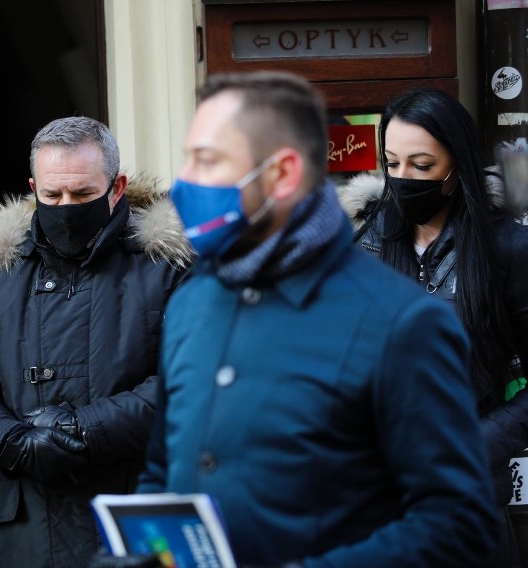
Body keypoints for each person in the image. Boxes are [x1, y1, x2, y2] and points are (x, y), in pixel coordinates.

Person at [136, 71, 498, 567]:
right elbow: (164, 472)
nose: (186, 183)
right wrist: (146, 552)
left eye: (209, 161)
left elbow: (458, 524)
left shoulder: (401, 324)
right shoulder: (191, 304)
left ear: (282, 173)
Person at [0, 116, 192, 567]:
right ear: (33, 187)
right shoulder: (1, 274)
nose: (65, 207)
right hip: (30, 529)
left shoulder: (167, 267)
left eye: (83, 194)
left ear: (116, 188)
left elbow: (187, 382)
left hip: (136, 517)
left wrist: (84, 429)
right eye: (51, 195)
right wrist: (9, 442)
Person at [337, 87, 528, 568]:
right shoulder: (364, 249)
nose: (403, 179)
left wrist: (475, 442)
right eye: (392, 163)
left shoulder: (507, 249)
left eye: (422, 166)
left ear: (457, 165)